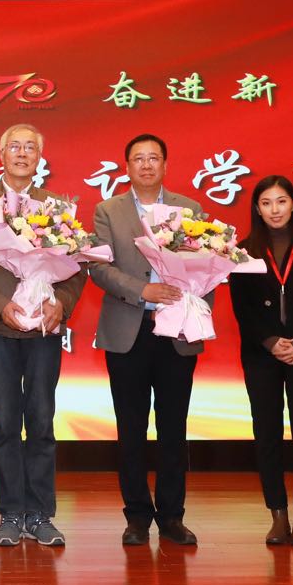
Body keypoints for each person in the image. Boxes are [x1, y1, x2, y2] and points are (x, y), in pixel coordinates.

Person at [0, 123, 88, 548]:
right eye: (14, 146)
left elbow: (76, 265)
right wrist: (1, 306)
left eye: (30, 147)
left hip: (44, 328)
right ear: (0, 154)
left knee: (42, 421)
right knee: (5, 423)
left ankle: (41, 514)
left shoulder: (57, 207)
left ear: (39, 157)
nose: (21, 153)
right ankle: (11, 513)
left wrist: (60, 303)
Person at [88, 133, 208, 547]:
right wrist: (143, 291)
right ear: (127, 167)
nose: (146, 165)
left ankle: (172, 516)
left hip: (177, 332)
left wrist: (188, 303)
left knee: (173, 428)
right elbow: (99, 268)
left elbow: (208, 265)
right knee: (131, 428)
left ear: (165, 165)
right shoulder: (108, 211)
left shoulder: (189, 210)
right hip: (129, 329)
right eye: (138, 158)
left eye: (153, 158)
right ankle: (137, 516)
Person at [229, 174, 293, 547]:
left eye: (281, 201)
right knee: (267, 434)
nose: (275, 210)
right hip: (261, 355)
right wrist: (271, 341)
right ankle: (277, 516)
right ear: (257, 209)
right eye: (266, 203)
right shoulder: (243, 253)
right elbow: (242, 308)